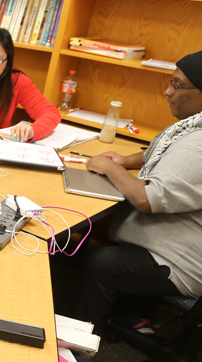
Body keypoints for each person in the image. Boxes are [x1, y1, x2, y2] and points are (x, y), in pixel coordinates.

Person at [55, 50, 202, 334]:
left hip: (183, 262)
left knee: (102, 265)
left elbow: (147, 198)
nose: (167, 91)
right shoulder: (189, 129)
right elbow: (160, 152)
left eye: (176, 85)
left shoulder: (198, 144)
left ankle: (67, 346)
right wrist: (126, 161)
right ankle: (129, 314)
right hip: (170, 243)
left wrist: (110, 169)